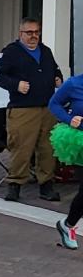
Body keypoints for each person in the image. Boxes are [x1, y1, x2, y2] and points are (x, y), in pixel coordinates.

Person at [0, 17, 63, 202]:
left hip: (47, 108)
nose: (33, 36)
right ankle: (14, 185)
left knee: (47, 149)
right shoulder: (11, 52)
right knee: (21, 148)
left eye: (36, 32)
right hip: (23, 109)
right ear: (20, 33)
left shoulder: (45, 51)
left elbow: (55, 69)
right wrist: (15, 85)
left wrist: (57, 78)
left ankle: (46, 185)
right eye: (29, 32)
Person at [49, 74, 83, 249]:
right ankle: (68, 226)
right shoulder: (74, 83)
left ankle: (67, 224)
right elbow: (54, 104)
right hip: (80, 141)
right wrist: (70, 119)